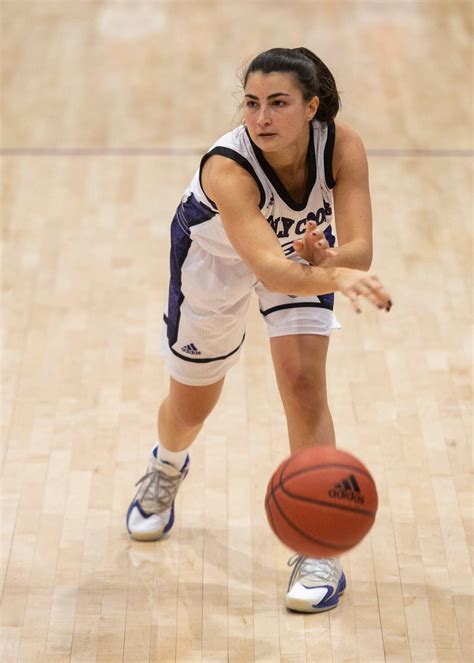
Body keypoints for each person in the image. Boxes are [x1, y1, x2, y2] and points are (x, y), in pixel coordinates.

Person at [126, 47, 392, 613]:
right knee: (191, 407)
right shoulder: (227, 166)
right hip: (215, 261)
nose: (261, 117)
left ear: (312, 106)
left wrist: (332, 257)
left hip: (301, 259)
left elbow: (362, 246)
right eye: (251, 103)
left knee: (303, 385)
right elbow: (268, 268)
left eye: (278, 103)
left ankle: (320, 548)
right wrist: (334, 274)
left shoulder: (343, 145)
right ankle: (165, 466)